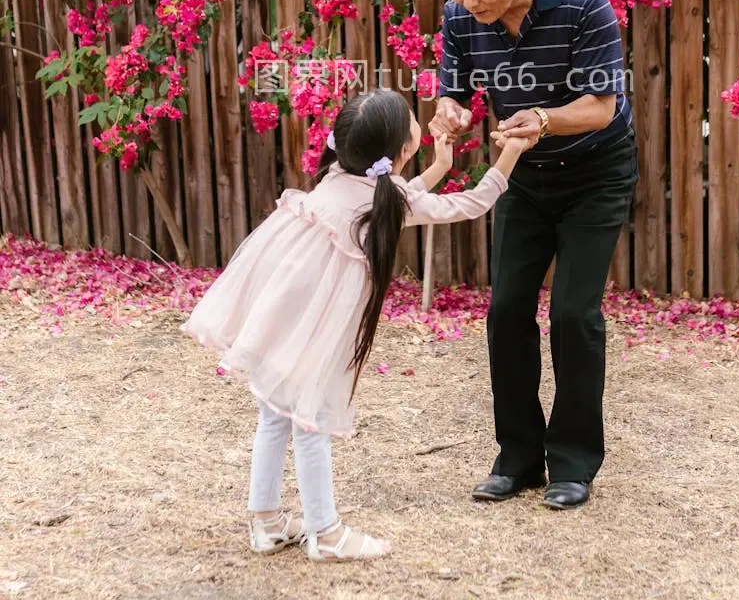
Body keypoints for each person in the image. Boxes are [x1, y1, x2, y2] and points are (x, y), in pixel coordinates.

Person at [182, 89, 528, 561]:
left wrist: (440, 168)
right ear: (402, 151)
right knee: (309, 417)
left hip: (283, 299)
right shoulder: (383, 197)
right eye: (412, 125)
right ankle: (324, 533)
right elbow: (472, 204)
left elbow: (395, 197)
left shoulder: (338, 175)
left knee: (276, 412)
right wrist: (510, 153)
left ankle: (265, 522)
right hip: (317, 313)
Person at [429, 0, 637, 510]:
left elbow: (600, 106)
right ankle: (517, 458)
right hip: (523, 177)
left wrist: (543, 120)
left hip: (596, 173)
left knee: (574, 314)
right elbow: (455, 88)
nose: (467, 0)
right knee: (506, 310)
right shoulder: (460, 18)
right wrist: (452, 111)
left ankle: (572, 462)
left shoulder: (582, 1)